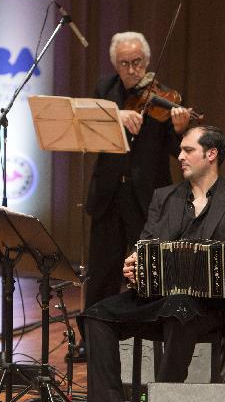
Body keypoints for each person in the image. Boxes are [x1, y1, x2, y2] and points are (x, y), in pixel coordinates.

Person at [80, 125, 225, 402]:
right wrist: (134, 263)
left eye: (188, 150)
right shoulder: (164, 197)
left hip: (213, 309)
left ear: (211, 155)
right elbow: (144, 245)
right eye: (180, 150)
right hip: (159, 300)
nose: (180, 156)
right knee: (96, 315)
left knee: (180, 309)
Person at [71, 31, 192, 362]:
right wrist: (116, 116)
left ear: (147, 60)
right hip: (108, 193)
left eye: (137, 62)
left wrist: (180, 130)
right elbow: (89, 122)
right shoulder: (104, 90)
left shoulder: (166, 97)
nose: (132, 70)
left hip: (146, 199)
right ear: (115, 64)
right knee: (101, 272)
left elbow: (175, 151)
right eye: (124, 63)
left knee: (147, 272)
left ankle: (145, 340)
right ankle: (92, 341)